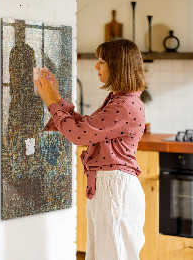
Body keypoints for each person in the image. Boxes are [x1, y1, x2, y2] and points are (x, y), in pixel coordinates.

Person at [35, 38, 147, 260]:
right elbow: (85, 127)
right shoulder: (120, 100)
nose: (96, 66)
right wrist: (56, 97)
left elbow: (78, 135)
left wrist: (50, 102)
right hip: (109, 188)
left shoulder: (124, 105)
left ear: (118, 66)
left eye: (102, 61)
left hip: (115, 190)